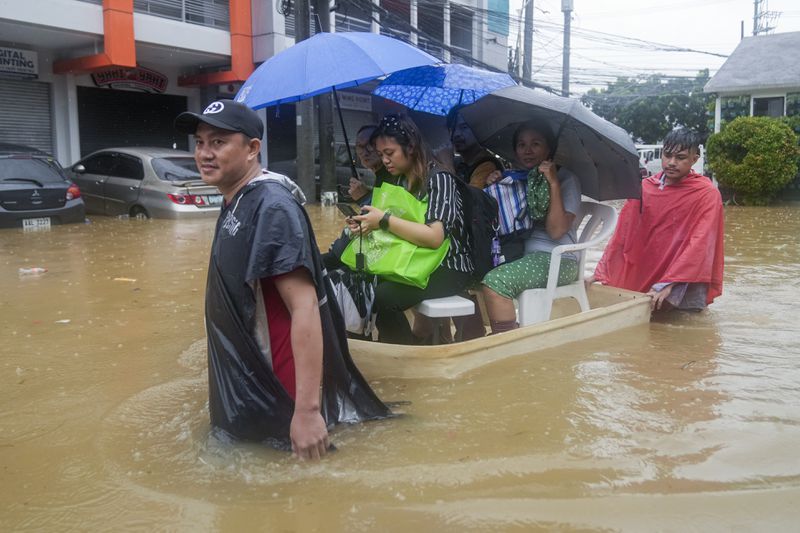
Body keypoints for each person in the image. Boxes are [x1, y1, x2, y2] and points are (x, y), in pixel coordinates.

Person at [174, 100, 389, 459]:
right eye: (200, 142)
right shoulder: (236, 199)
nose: (204, 154)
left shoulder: (272, 207)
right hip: (249, 390)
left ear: (252, 149)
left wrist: (306, 412)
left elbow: (304, 305)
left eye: (218, 142)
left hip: (279, 398)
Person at [349, 113, 474, 344]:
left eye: (390, 153)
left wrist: (383, 220)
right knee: (361, 279)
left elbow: (435, 238)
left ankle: (403, 356)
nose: (385, 161)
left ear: (411, 147)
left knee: (384, 297)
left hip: (448, 265)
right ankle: (398, 345)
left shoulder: (440, 179)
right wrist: (368, 224)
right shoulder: (397, 180)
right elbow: (394, 226)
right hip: (415, 257)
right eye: (381, 155)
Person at [591, 128, 724, 311]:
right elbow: (623, 235)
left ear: (694, 159)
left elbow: (700, 242)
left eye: (680, 157)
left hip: (687, 277)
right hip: (648, 269)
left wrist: (670, 282)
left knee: (687, 327)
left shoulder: (706, 193)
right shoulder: (644, 188)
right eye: (667, 155)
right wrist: (601, 271)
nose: (671, 162)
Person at [481, 122, 582, 334]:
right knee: (472, 273)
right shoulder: (517, 179)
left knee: (495, 282)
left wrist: (553, 183)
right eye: (521, 144)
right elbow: (501, 223)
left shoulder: (567, 179)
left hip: (558, 259)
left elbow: (556, 231)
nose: (527, 150)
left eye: (536, 144)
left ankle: (506, 343)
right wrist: (494, 185)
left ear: (549, 149)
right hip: (520, 252)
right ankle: (475, 336)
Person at [448, 108, 503, 188]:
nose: (456, 134)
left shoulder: (487, 165)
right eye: (452, 128)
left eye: (464, 127)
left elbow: (470, 199)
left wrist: (448, 166)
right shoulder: (461, 162)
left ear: (478, 129)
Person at [346, 124, 395, 205]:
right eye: (360, 146)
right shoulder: (381, 175)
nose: (364, 153)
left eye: (371, 145)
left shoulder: (392, 177)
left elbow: (385, 215)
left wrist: (364, 198)